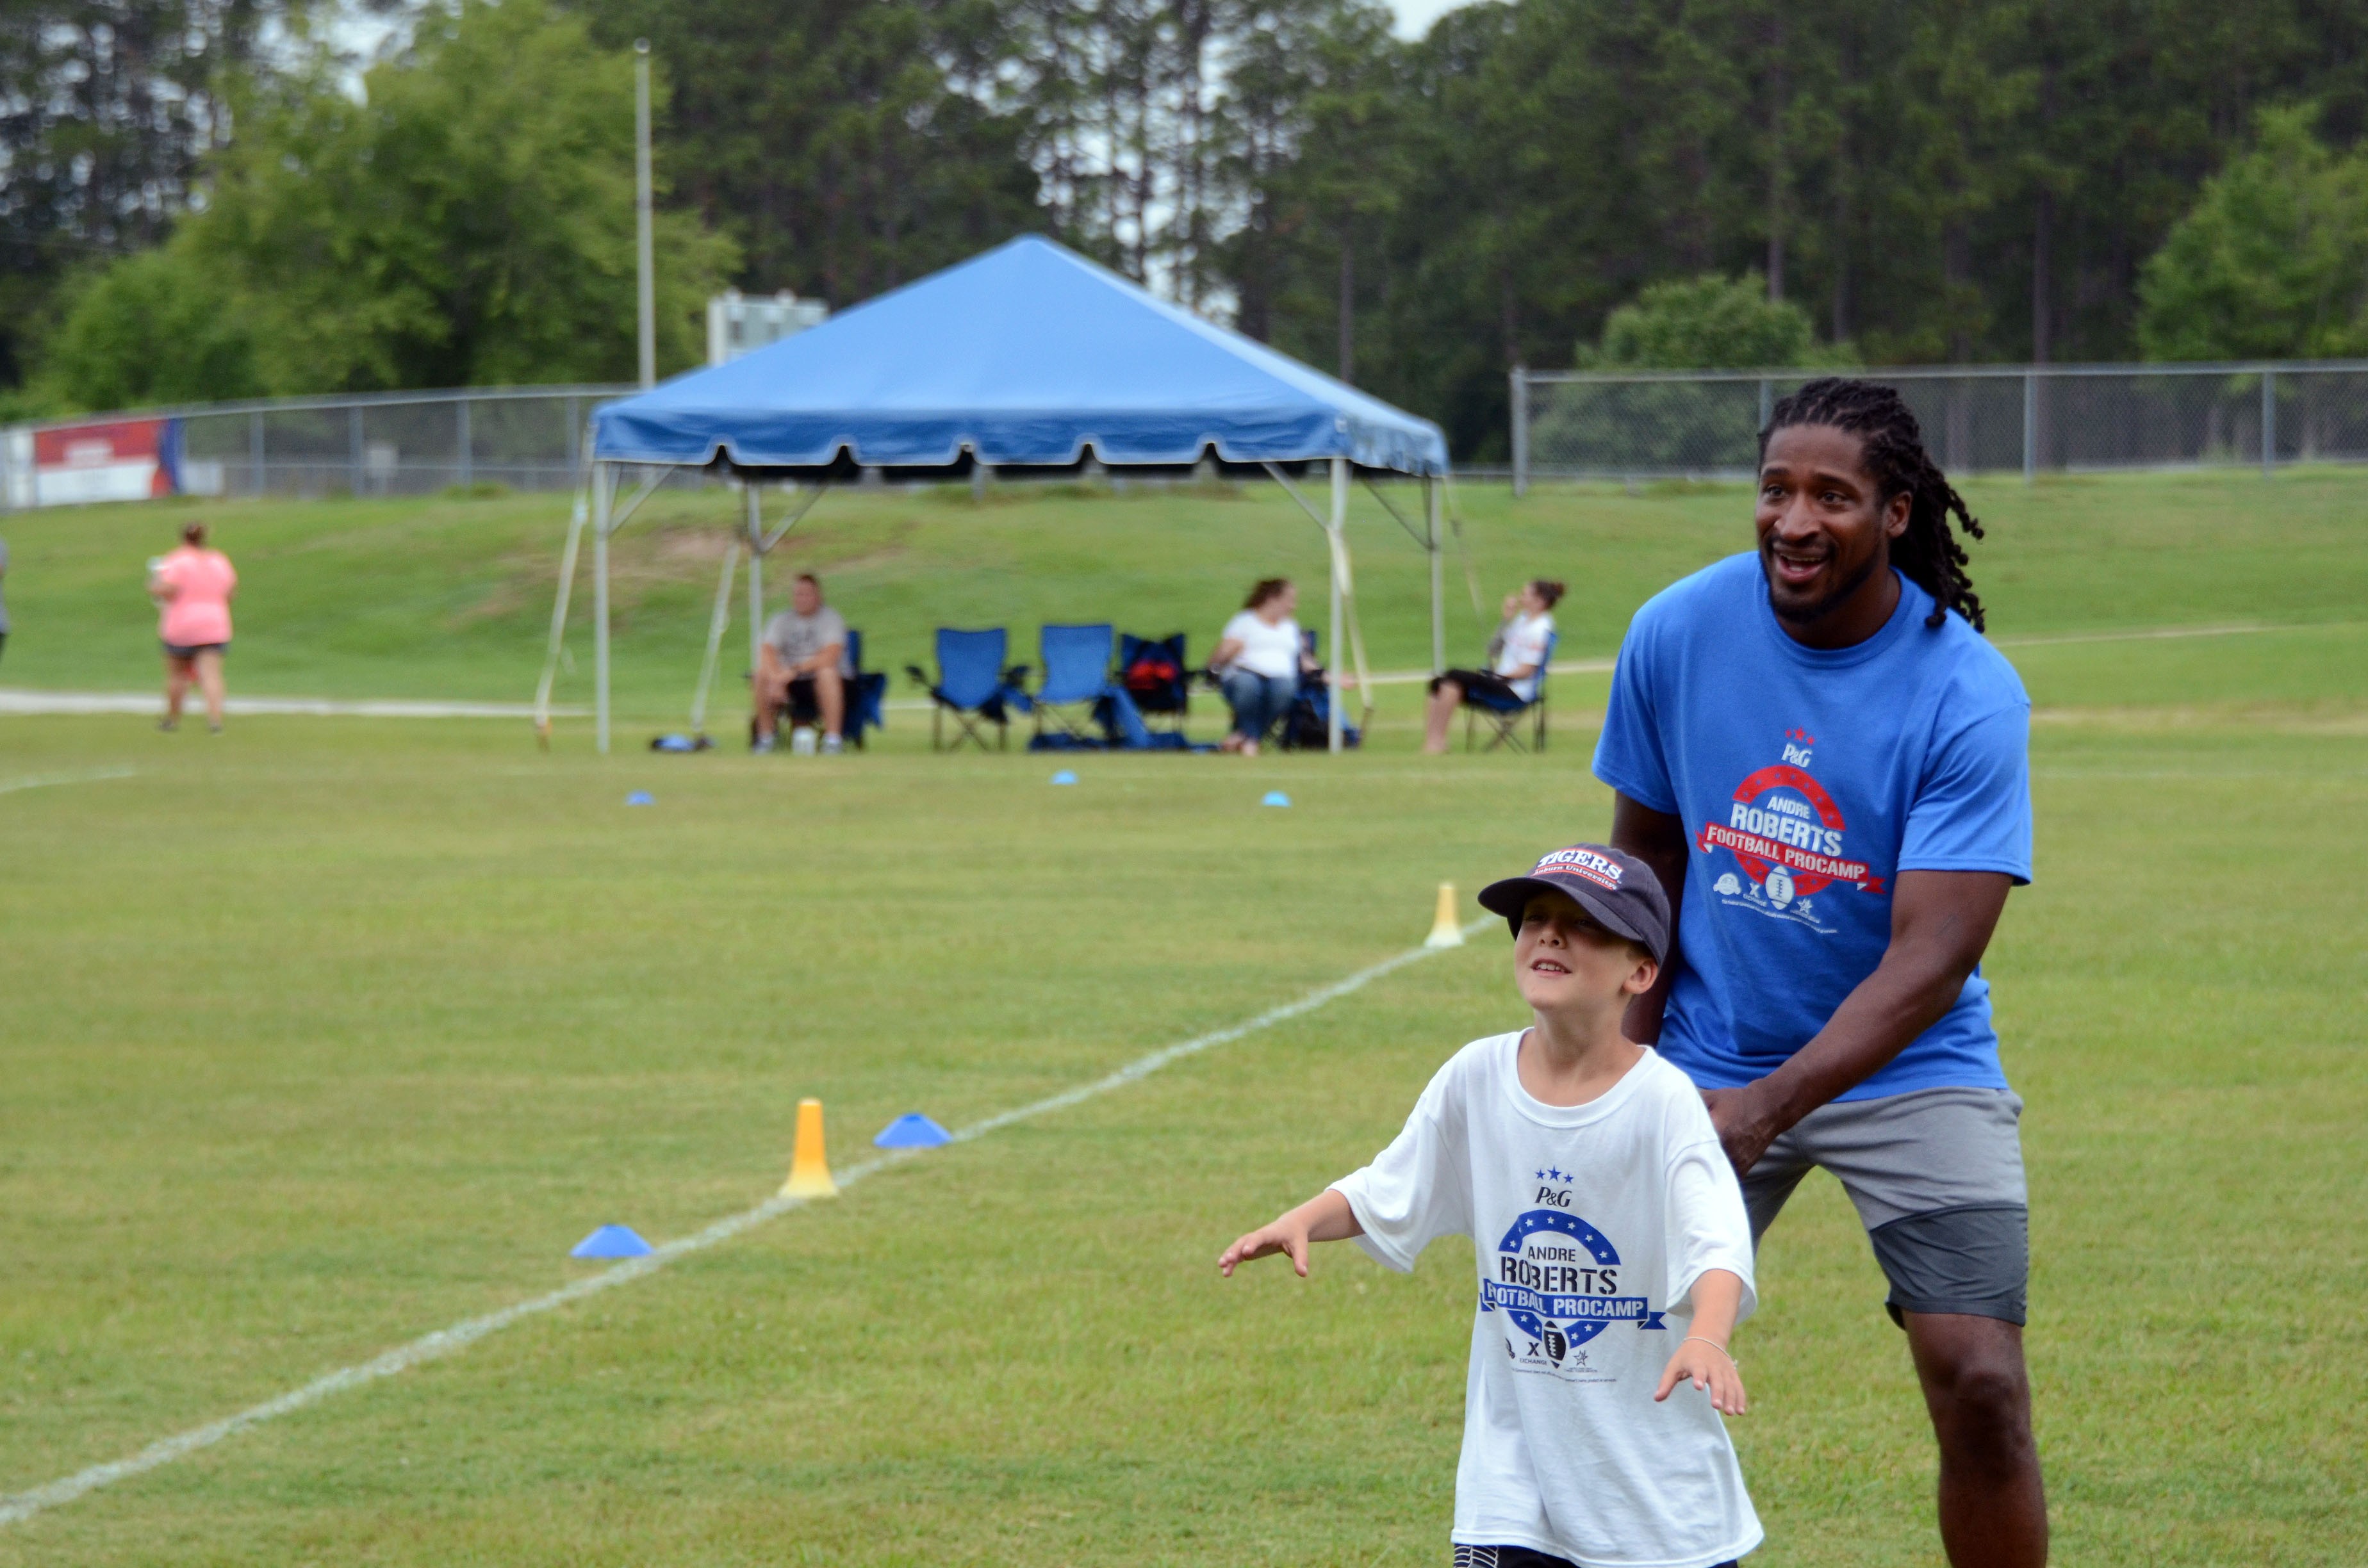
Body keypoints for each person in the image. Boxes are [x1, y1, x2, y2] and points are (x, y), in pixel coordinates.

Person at [1594, 377, 2043, 1568]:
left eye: (1831, 496)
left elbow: (1934, 958)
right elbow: (1643, 866)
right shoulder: (1677, 631)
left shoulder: (1966, 691)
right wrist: (1628, 1066)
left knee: (1982, 1378)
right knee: (1603, 1350)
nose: (1793, 519)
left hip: (1910, 1068)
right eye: (1775, 489)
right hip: (1701, 1056)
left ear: (1896, 513)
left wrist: (1770, 1105)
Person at [1221, 844, 1761, 1568]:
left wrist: (1709, 1337)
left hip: (1654, 1501)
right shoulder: (1476, 1076)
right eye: (1535, 918)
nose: (1549, 935)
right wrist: (1304, 1220)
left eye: (1586, 925)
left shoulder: (1662, 1103)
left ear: (1641, 972)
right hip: (1510, 1490)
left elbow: (1717, 1244)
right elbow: (1391, 1185)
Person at [1423, 579, 1563, 753]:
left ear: (1540, 601)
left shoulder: (1541, 628)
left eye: (1525, 594)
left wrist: (1500, 677)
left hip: (1515, 690)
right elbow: (1493, 650)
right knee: (1441, 683)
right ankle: (1435, 742)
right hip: (1499, 680)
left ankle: (1436, 744)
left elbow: (1528, 669)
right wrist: (1506, 619)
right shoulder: (1521, 620)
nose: (1520, 598)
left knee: (1454, 674)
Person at [1208, 576, 1316, 755]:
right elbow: (1217, 657)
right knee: (1248, 686)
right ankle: (1251, 740)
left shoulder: (1291, 627)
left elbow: (1306, 661)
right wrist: (1226, 653)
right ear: (1272, 599)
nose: (1293, 606)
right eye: (1289, 600)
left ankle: (1244, 736)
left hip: (1281, 678)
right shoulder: (1244, 622)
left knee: (1284, 689)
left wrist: (1331, 677)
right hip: (1244, 674)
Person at [150, 522, 237, 733]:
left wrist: (154, 581)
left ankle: (172, 719)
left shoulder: (176, 560)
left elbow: (165, 590)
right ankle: (215, 720)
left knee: (177, 674)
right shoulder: (218, 561)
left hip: (182, 624)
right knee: (211, 674)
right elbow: (230, 592)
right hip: (214, 622)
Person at [752, 572, 851, 755]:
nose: (802, 599)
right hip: (788, 681)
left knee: (827, 673)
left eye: (807, 594)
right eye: (798, 594)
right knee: (761, 674)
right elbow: (767, 650)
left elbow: (830, 655)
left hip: (817, 679)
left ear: (818, 597)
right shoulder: (781, 620)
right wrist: (776, 679)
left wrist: (794, 671)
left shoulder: (831, 620)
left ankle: (833, 741)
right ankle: (766, 738)